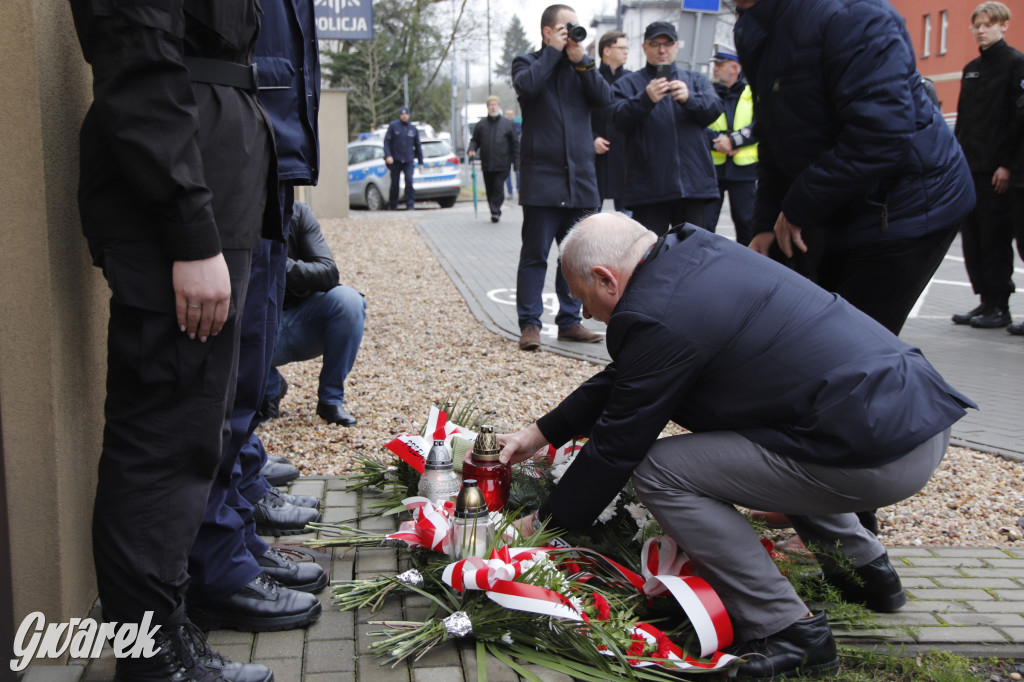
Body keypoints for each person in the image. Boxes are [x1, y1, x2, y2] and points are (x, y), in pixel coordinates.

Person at [498, 213, 974, 680]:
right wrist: (537, 434)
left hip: (879, 455)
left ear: (606, 279)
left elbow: (617, 446)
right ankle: (866, 572)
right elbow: (629, 377)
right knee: (773, 435)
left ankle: (787, 631)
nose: (584, 313)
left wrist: (542, 527)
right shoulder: (695, 254)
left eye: (582, 299)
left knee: (659, 471)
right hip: (913, 416)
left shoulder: (658, 315)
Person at [70, 1, 278, 679]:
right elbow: (137, 51)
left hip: (205, 176)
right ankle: (153, 658)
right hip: (180, 189)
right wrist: (189, 231)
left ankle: (165, 633)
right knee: (163, 437)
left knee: (189, 433)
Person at [734, 0, 975, 538]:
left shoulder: (853, 16)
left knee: (855, 370)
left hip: (906, 209)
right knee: (808, 357)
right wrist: (765, 222)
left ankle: (850, 525)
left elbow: (881, 132)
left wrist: (799, 207)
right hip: (839, 207)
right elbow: (777, 136)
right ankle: (809, 496)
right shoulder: (758, 27)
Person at [186, 0, 326, 636]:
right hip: (234, 150)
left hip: (268, 154)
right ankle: (220, 565)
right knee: (221, 385)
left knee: (245, 377)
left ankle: (236, 537)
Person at [511, 4, 613, 351]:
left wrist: (582, 61)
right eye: (566, 27)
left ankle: (569, 321)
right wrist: (553, 53)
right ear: (547, 31)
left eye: (575, 27)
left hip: (581, 179)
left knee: (575, 258)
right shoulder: (527, 63)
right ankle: (530, 324)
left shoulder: (581, 66)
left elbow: (604, 99)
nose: (572, 33)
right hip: (542, 180)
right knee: (535, 255)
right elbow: (528, 87)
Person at [611, 21, 723, 236]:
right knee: (651, 252)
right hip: (649, 190)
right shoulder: (627, 84)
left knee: (694, 251)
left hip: (693, 187)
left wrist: (690, 99)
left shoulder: (695, 81)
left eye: (667, 44)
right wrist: (646, 99)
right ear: (644, 47)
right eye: (655, 44)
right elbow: (617, 120)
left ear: (677, 46)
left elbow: (715, 109)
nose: (662, 50)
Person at [951, 2, 1024, 329]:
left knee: (995, 238)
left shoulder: (1017, 64)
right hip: (970, 169)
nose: (982, 30)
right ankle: (984, 300)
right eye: (977, 25)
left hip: (998, 172)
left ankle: (999, 305)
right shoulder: (971, 69)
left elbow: (1018, 121)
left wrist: (1007, 165)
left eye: (989, 24)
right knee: (974, 238)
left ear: (1003, 25)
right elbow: (963, 122)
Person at [264, 201, 367, 426]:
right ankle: (269, 389)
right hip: (258, 330)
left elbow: (328, 272)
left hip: (304, 321)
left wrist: (275, 263)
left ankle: (331, 400)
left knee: (349, 301)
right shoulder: (235, 213)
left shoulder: (297, 213)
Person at [704, 43, 758, 246]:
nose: (715, 68)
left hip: (744, 170)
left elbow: (761, 123)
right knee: (705, 225)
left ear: (735, 68)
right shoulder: (707, 92)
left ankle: (748, 263)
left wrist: (734, 141)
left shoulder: (752, 92)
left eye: (720, 64)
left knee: (746, 224)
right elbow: (697, 125)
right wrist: (717, 143)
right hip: (712, 169)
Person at [592, 30, 630, 212]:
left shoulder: (632, 80)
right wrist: (591, 138)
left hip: (626, 160)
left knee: (628, 221)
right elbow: (578, 114)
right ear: (606, 50)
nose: (626, 52)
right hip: (595, 159)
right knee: (590, 217)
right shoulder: (591, 79)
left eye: (627, 48)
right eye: (621, 48)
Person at [468, 96, 520, 222]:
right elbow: (475, 140)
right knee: (490, 188)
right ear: (487, 107)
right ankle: (493, 209)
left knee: (498, 186)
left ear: (499, 107)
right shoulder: (481, 125)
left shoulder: (507, 124)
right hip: (487, 163)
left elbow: (515, 144)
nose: (493, 107)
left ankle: (495, 211)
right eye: (490, 105)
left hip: (503, 163)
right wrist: (472, 149)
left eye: (495, 105)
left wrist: (516, 163)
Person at [384, 106, 424, 211]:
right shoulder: (394, 126)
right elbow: (387, 142)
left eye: (406, 114)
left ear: (409, 115)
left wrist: (421, 162)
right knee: (395, 184)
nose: (404, 116)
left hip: (408, 160)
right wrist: (388, 155)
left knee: (409, 182)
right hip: (396, 160)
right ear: (400, 115)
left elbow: (418, 146)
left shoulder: (413, 129)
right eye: (402, 114)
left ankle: (410, 204)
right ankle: (393, 205)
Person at [504, 109, 522, 198]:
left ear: (513, 115)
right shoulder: (503, 124)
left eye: (511, 114)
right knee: (507, 173)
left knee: (518, 172)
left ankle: (519, 189)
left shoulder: (517, 124)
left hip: (516, 152)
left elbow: (518, 133)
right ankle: (510, 192)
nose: (509, 116)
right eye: (508, 114)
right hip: (506, 152)